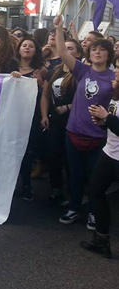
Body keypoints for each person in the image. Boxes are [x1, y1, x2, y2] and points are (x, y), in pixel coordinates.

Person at [53, 15, 115, 228]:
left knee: (94, 179)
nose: (97, 52)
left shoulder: (114, 77)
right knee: (75, 174)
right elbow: (62, 52)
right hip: (74, 132)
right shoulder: (82, 70)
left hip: (98, 137)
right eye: (94, 49)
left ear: (109, 54)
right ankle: (74, 208)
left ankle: (93, 212)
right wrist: (59, 29)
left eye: (102, 49)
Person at [40, 38, 83, 206]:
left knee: (71, 160)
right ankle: (56, 188)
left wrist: (68, 107)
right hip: (54, 121)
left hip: (74, 122)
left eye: (71, 48)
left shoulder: (83, 73)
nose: (66, 51)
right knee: (53, 156)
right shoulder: (54, 71)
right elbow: (45, 95)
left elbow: (87, 98)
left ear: (78, 53)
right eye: (64, 48)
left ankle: (74, 195)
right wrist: (44, 115)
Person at [83, 100, 119, 258]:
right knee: (95, 192)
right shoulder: (116, 93)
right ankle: (101, 240)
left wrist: (107, 118)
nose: (115, 74)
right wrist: (102, 122)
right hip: (110, 152)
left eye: (117, 73)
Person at [13, 37, 47, 201]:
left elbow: (44, 96)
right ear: (18, 49)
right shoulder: (10, 66)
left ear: (36, 51)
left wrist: (39, 83)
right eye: (24, 45)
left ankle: (26, 186)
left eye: (31, 46)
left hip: (30, 114)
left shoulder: (40, 70)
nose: (27, 48)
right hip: (11, 113)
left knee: (25, 152)